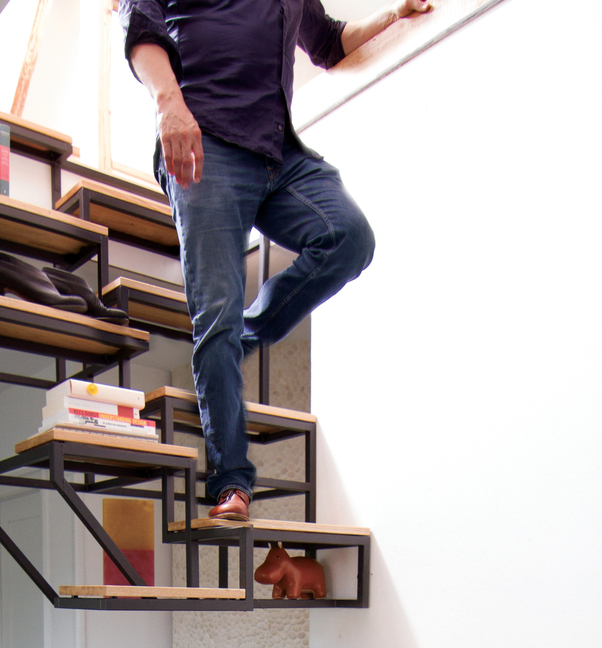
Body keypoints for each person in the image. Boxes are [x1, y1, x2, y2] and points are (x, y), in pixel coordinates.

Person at [119, 0, 431, 520]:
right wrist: (168, 104)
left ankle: (239, 339)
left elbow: (328, 42)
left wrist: (392, 15)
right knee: (214, 312)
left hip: (278, 155)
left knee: (348, 237)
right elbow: (139, 21)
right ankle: (230, 482)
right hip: (206, 142)